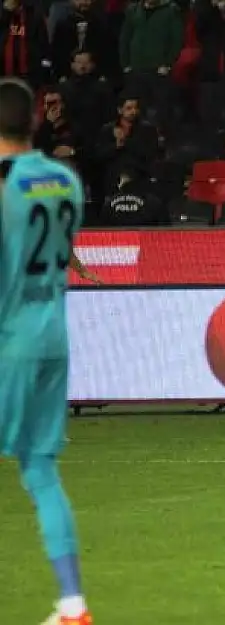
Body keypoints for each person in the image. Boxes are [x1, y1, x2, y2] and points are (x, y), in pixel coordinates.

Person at [0, 77, 93, 625]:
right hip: (54, 336)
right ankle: (72, 604)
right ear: (33, 122)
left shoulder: (4, 184)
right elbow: (61, 254)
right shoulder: (65, 179)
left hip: (10, 340)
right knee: (39, 468)